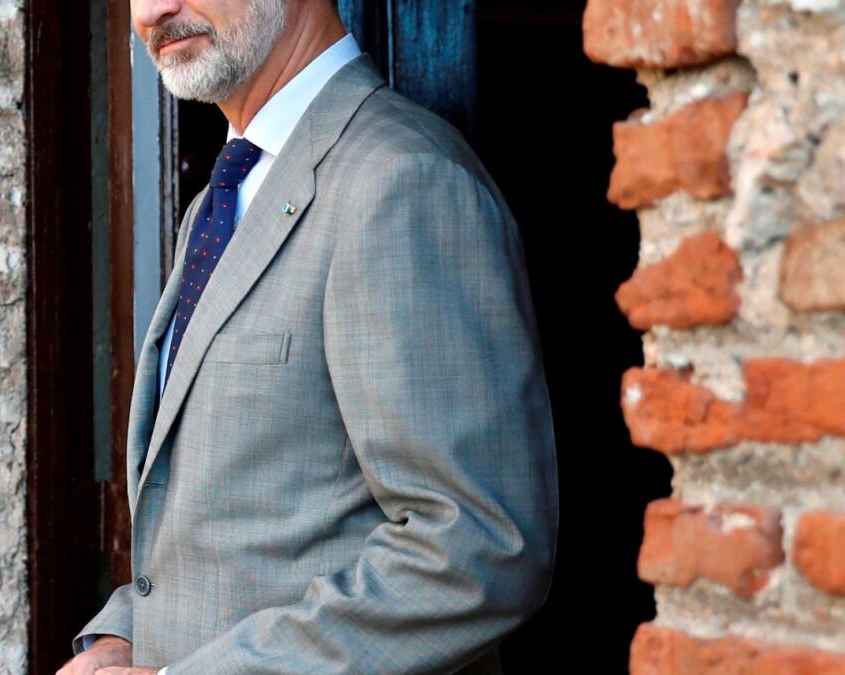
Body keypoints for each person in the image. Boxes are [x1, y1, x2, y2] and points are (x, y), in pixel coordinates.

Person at [58, 0, 559, 673]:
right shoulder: (223, 196)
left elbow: (480, 549)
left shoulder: (401, 178)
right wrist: (122, 637)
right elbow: (233, 520)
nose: (152, 10)